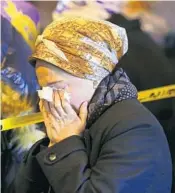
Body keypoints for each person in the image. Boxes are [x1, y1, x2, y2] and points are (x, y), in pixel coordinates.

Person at [9, 17, 172, 193]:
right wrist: (51, 145)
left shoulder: (135, 129)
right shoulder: (75, 121)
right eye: (43, 88)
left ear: (94, 77)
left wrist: (64, 145)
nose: (47, 98)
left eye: (57, 87)